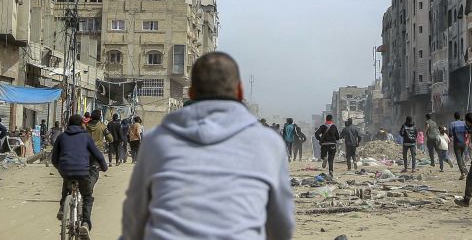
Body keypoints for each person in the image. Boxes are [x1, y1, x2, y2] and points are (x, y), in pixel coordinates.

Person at [119, 51, 295, 240]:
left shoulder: (157, 141)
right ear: (240, 91)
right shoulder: (268, 143)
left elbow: (134, 220)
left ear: (192, 92)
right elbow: (281, 226)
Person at [53, 114, 108, 235]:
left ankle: (63, 207)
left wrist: (61, 168)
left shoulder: (61, 137)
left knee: (66, 181)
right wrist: (104, 167)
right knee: (87, 197)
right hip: (83, 172)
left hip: (65, 169)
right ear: (81, 124)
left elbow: (54, 158)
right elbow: (97, 154)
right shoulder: (86, 137)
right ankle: (85, 223)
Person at [85, 110, 109, 190]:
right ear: (100, 117)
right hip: (97, 152)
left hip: (85, 151)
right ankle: (88, 189)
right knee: (94, 172)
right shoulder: (103, 126)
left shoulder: (85, 126)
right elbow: (110, 138)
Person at [449, 112, 468, 179]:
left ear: (454, 117)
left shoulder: (452, 124)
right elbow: (466, 132)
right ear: (460, 117)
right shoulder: (464, 123)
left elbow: (450, 134)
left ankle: (462, 173)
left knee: (459, 158)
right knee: (461, 157)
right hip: (463, 144)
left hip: (457, 143)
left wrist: (452, 136)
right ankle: (465, 170)